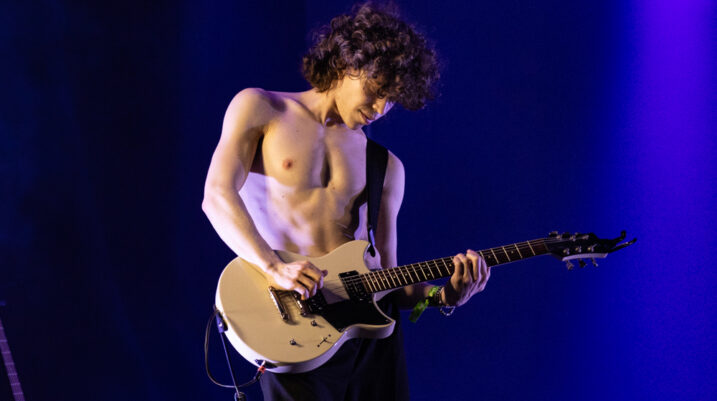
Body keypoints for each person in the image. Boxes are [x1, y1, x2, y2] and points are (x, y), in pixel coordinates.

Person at [202, 3, 490, 400]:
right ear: (348, 63)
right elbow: (216, 196)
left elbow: (390, 281)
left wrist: (442, 297)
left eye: (391, 99)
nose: (380, 109)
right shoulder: (262, 107)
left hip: (367, 337)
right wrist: (274, 268)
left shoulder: (387, 166)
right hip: (293, 331)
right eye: (377, 90)